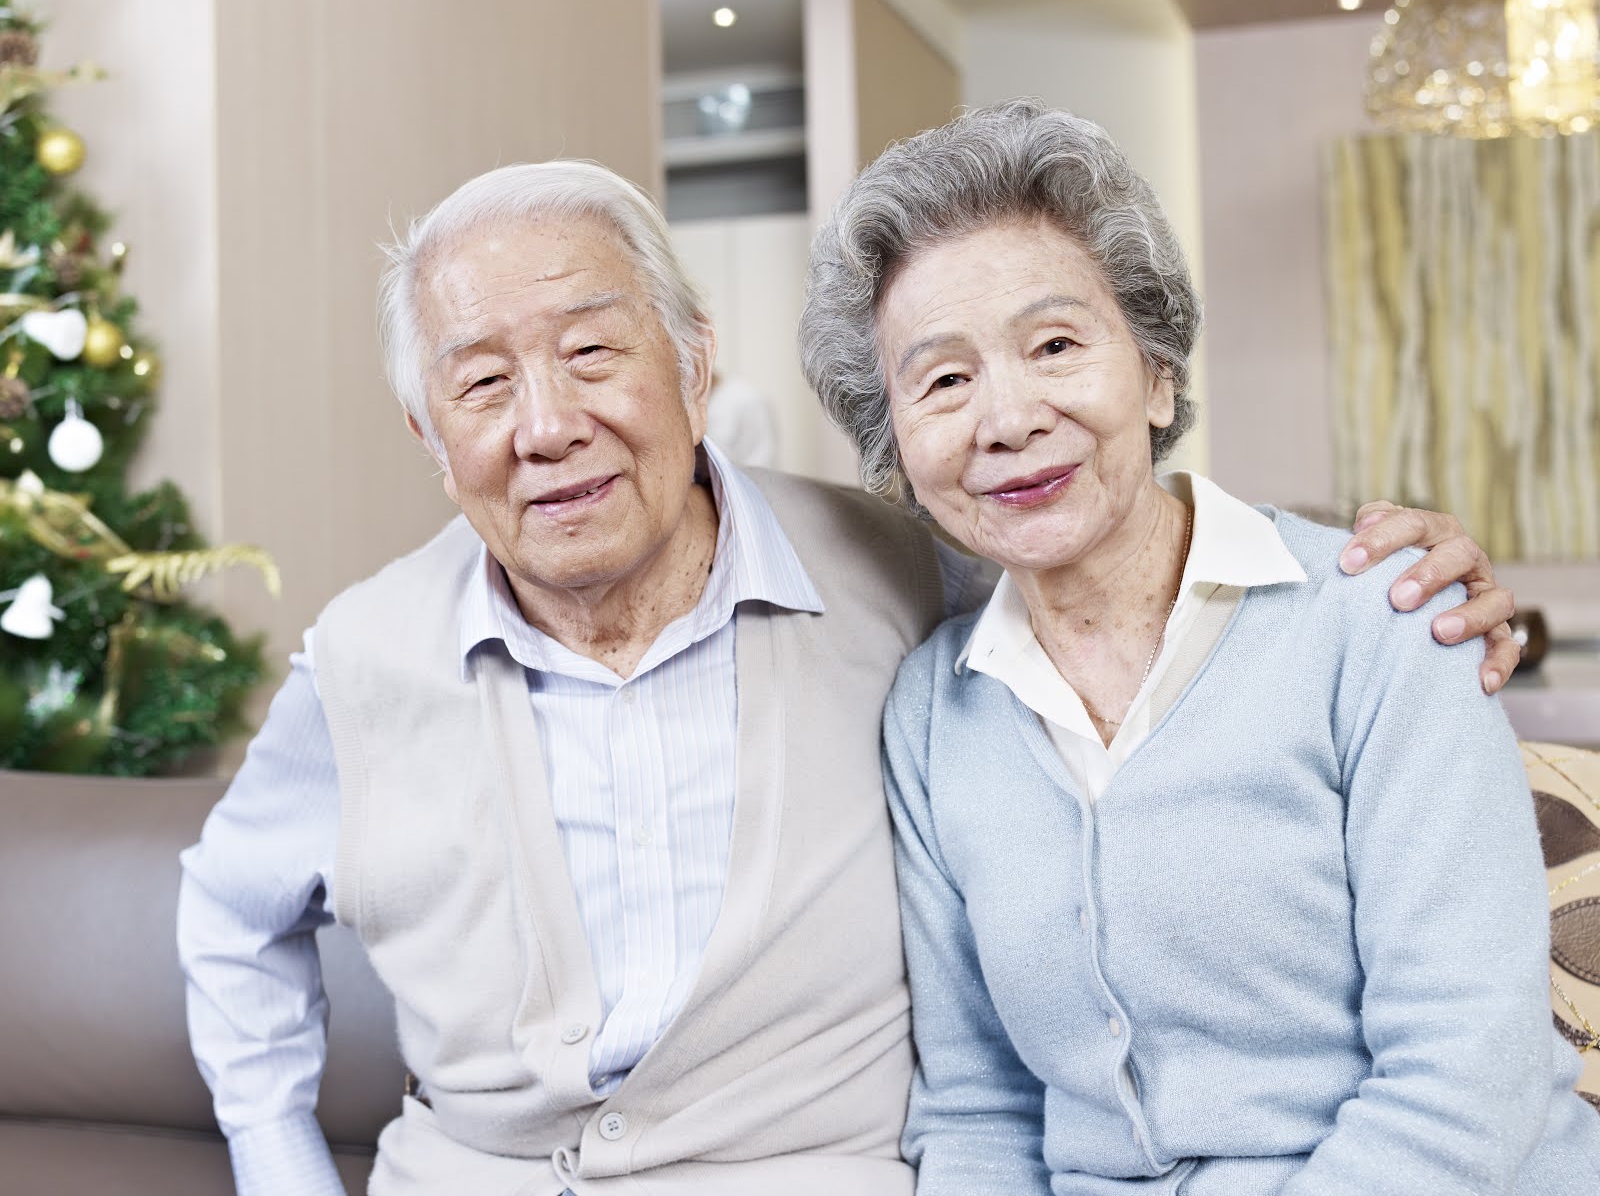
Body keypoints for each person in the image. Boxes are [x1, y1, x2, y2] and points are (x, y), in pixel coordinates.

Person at [178, 158, 1517, 1196]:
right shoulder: (361, 661)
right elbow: (228, 911)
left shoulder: (897, 575)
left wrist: (1395, 572)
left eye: (592, 352)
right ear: (429, 432)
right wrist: (281, 1162)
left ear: (697, 361)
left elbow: (1119, 550)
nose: (546, 425)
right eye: (481, 383)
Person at [798, 99, 1600, 1196]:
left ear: (1157, 372)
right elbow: (978, 1108)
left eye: (1056, 345)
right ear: (897, 448)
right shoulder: (933, 716)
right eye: (942, 379)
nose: (1007, 416)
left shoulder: (1379, 618)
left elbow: (1467, 1071)